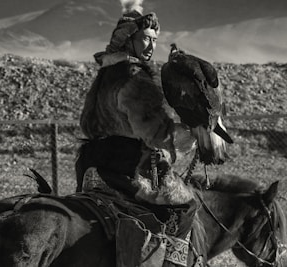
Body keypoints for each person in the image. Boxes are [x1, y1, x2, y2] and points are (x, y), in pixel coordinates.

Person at [77, 1, 202, 266]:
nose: (151, 46)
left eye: (155, 40)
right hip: (128, 169)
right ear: (128, 40)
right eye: (145, 38)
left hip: (90, 167)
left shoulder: (105, 75)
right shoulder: (136, 77)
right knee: (186, 206)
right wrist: (192, 136)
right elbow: (157, 135)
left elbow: (86, 124)